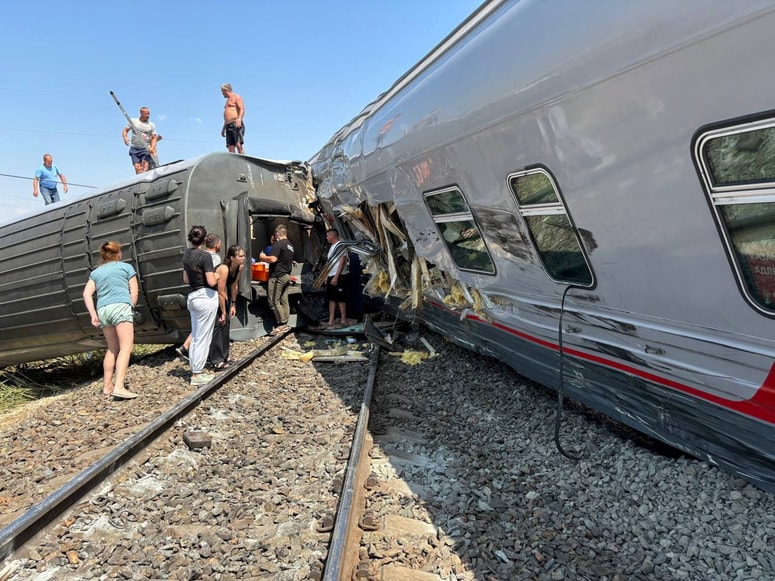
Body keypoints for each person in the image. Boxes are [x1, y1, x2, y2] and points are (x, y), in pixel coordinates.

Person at [82, 241, 139, 399]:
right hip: (120, 306)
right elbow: (134, 293)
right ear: (119, 254)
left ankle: (107, 386)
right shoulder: (126, 267)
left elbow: (86, 294)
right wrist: (129, 307)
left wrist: (93, 314)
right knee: (126, 347)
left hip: (103, 310)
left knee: (112, 348)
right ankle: (119, 387)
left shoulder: (96, 272)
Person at [182, 225, 220, 386]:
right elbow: (211, 281)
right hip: (206, 297)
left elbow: (185, 279)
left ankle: (194, 370)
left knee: (196, 336)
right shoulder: (205, 256)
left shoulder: (186, 255)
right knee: (204, 337)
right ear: (205, 240)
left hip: (192, 297)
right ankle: (197, 374)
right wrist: (219, 274)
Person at [209, 245, 246, 369]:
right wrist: (223, 311)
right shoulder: (224, 268)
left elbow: (234, 285)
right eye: (240, 256)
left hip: (222, 296)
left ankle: (225, 356)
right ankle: (216, 359)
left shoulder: (239, 267)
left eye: (243, 256)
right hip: (212, 295)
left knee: (226, 324)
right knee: (218, 324)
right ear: (232, 257)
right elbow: (220, 291)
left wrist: (233, 304)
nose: (243, 258)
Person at [258, 225, 294, 335]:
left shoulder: (278, 244)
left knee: (273, 301)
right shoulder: (290, 245)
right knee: (284, 300)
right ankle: (286, 322)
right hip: (287, 275)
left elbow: (273, 259)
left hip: (277, 276)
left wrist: (263, 257)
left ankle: (282, 324)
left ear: (278, 234)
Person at [323, 228, 353, 329]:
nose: (326, 238)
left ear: (332, 236)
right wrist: (327, 276)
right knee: (331, 298)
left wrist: (336, 277)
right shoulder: (332, 247)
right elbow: (330, 263)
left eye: (327, 236)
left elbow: (342, 262)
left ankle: (343, 319)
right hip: (331, 275)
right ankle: (331, 320)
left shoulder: (341, 246)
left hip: (339, 276)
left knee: (340, 298)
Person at [122, 106, 158, 174]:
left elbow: (154, 138)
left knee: (145, 166)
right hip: (134, 148)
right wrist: (125, 138)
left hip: (145, 148)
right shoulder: (134, 121)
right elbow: (125, 130)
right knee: (137, 168)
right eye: (146, 114)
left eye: (148, 114)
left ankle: (146, 178)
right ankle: (140, 180)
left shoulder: (151, 125)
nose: (148, 115)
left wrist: (152, 148)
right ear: (141, 113)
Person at [220, 83, 245, 154]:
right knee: (230, 146)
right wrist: (223, 128)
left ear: (226, 90)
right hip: (228, 125)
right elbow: (227, 117)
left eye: (222, 91)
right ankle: (234, 163)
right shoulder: (227, 101)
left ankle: (243, 162)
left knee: (238, 144)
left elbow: (242, 108)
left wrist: (239, 119)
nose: (222, 94)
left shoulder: (236, 97)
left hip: (235, 123)